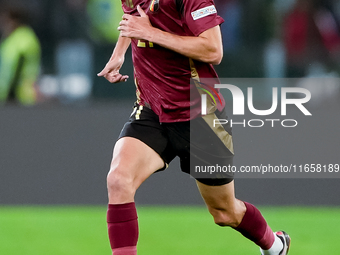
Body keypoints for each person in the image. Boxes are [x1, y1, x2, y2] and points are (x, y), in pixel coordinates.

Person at [98, 1, 291, 255]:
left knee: (224, 212)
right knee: (119, 180)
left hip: (201, 116)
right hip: (152, 109)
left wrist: (150, 33)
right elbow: (132, 15)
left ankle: (275, 245)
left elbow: (213, 50)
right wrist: (119, 53)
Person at [0, 5, 41, 105]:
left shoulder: (24, 39)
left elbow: (18, 68)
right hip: (8, 96)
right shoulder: (10, 39)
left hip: (20, 97)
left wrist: (10, 94)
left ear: (14, 21)